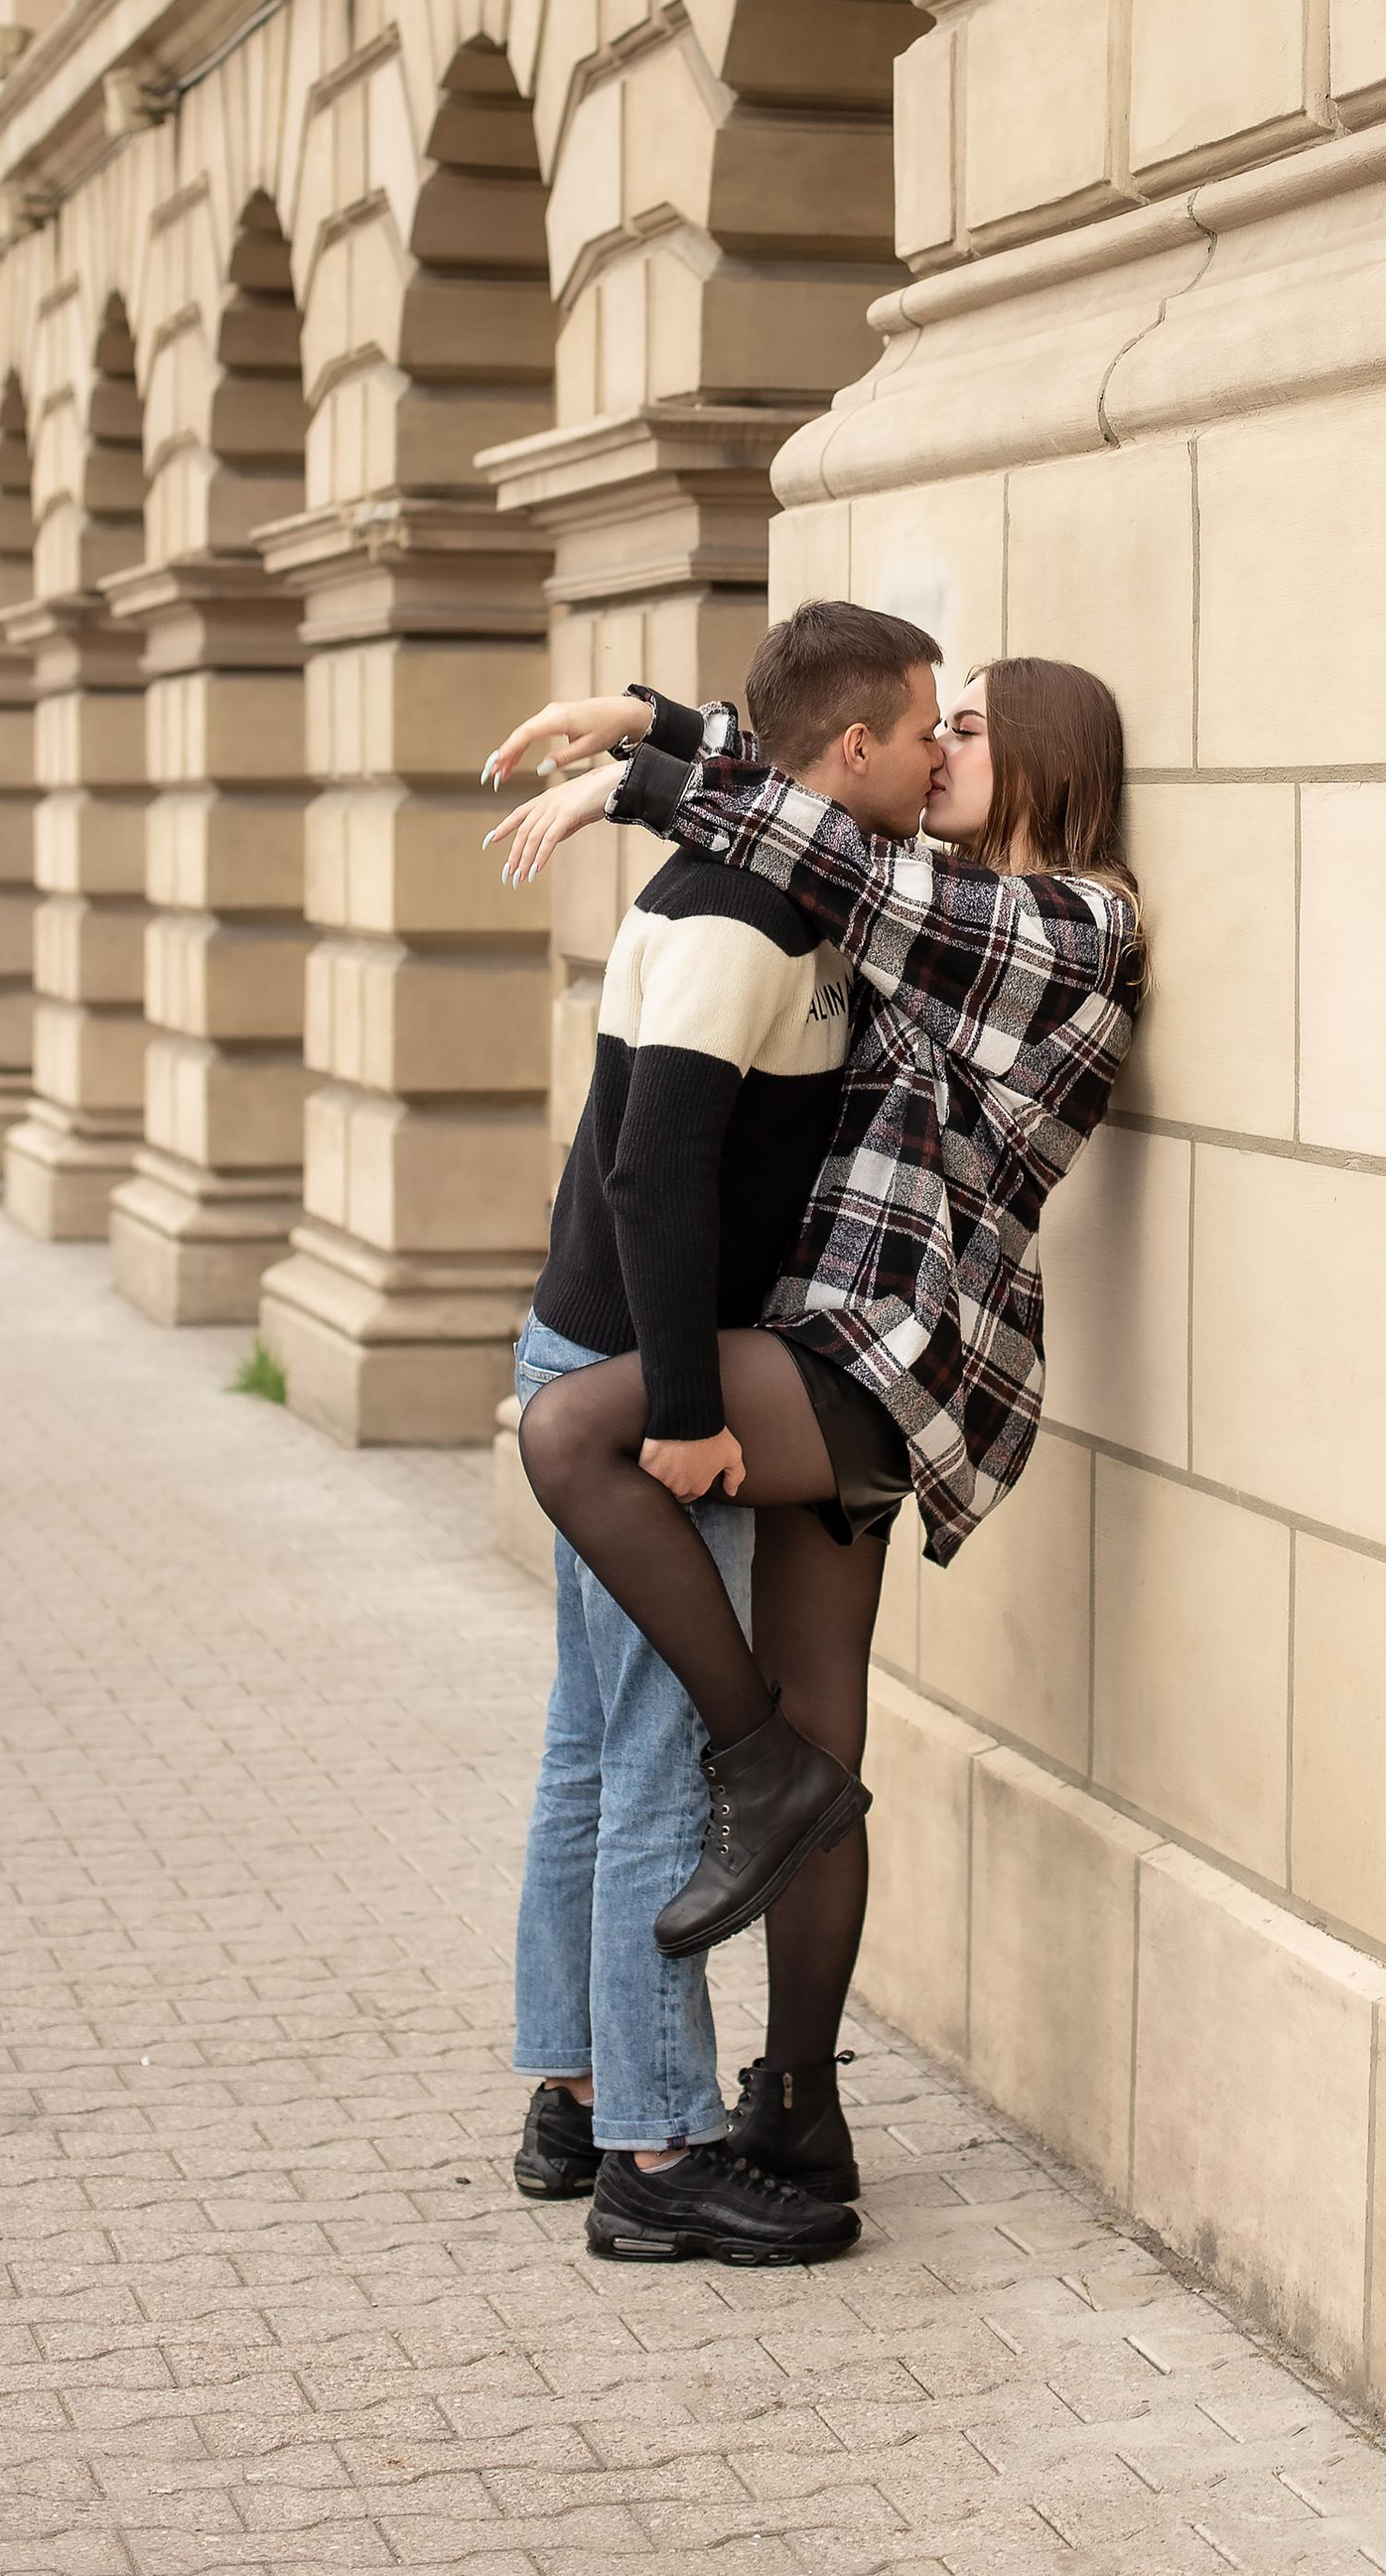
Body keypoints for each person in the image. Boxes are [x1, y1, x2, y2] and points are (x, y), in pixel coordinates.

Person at [484, 629, 1145, 2209]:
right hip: (814, 1343)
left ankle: (749, 1775)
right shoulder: (945, 907)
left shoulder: (1070, 926)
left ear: (1037, 759)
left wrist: (643, 764)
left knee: (574, 1440)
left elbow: (832, 839)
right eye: (931, 728)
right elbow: (823, 786)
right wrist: (663, 733)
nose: (937, 750)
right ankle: (793, 2102)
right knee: (825, 1723)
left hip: (894, 1360)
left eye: (966, 729)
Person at [499, 597, 948, 2268]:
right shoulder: (735, 920)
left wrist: (633, 729)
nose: (934, 746)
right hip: (639, 1365)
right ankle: (660, 2151)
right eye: (921, 728)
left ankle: (576, 2091)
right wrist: (683, 1418)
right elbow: (651, 1169)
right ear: (851, 753)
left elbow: (731, 763)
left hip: (617, 1347)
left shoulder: (798, 873)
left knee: (586, 1746)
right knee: (661, 1764)